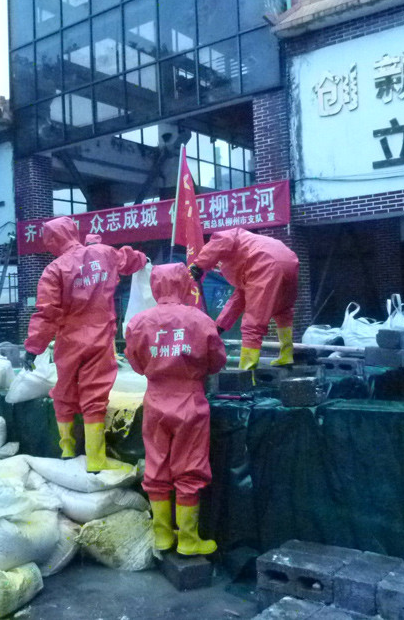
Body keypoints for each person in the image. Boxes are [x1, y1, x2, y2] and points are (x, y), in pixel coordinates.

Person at [22, 217, 147, 472]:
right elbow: (129, 259)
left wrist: (34, 347)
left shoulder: (54, 270)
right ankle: (96, 460)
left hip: (69, 339)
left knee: (65, 391)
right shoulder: (103, 253)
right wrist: (143, 260)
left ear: (53, 241)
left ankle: (67, 448)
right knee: (95, 397)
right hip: (100, 337)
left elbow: (47, 313)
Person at [125, 263, 226, 556]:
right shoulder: (200, 320)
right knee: (189, 468)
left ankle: (162, 537)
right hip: (190, 402)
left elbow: (135, 363)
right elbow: (217, 360)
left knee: (156, 466)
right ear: (185, 284)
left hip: (155, 401)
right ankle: (189, 540)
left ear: (154, 286)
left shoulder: (138, 322)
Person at [189, 228, 299, 369]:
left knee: (253, 322)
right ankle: (286, 355)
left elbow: (221, 240)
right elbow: (239, 298)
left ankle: (247, 368)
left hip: (265, 262)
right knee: (283, 311)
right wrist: (219, 326)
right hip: (289, 260)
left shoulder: (227, 237)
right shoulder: (248, 246)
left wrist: (199, 264)